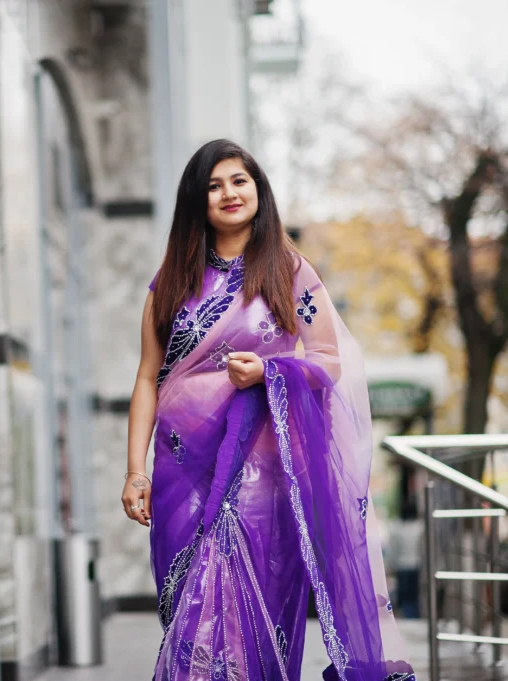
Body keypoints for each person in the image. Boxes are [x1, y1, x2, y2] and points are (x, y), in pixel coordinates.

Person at [121, 139, 416, 681]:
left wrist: (268, 372)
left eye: (239, 180)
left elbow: (329, 358)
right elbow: (147, 376)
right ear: (196, 200)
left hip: (261, 475)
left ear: (258, 190)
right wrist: (136, 470)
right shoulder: (171, 282)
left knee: (249, 608)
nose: (229, 193)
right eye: (214, 185)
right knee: (188, 617)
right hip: (180, 471)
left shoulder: (287, 270)